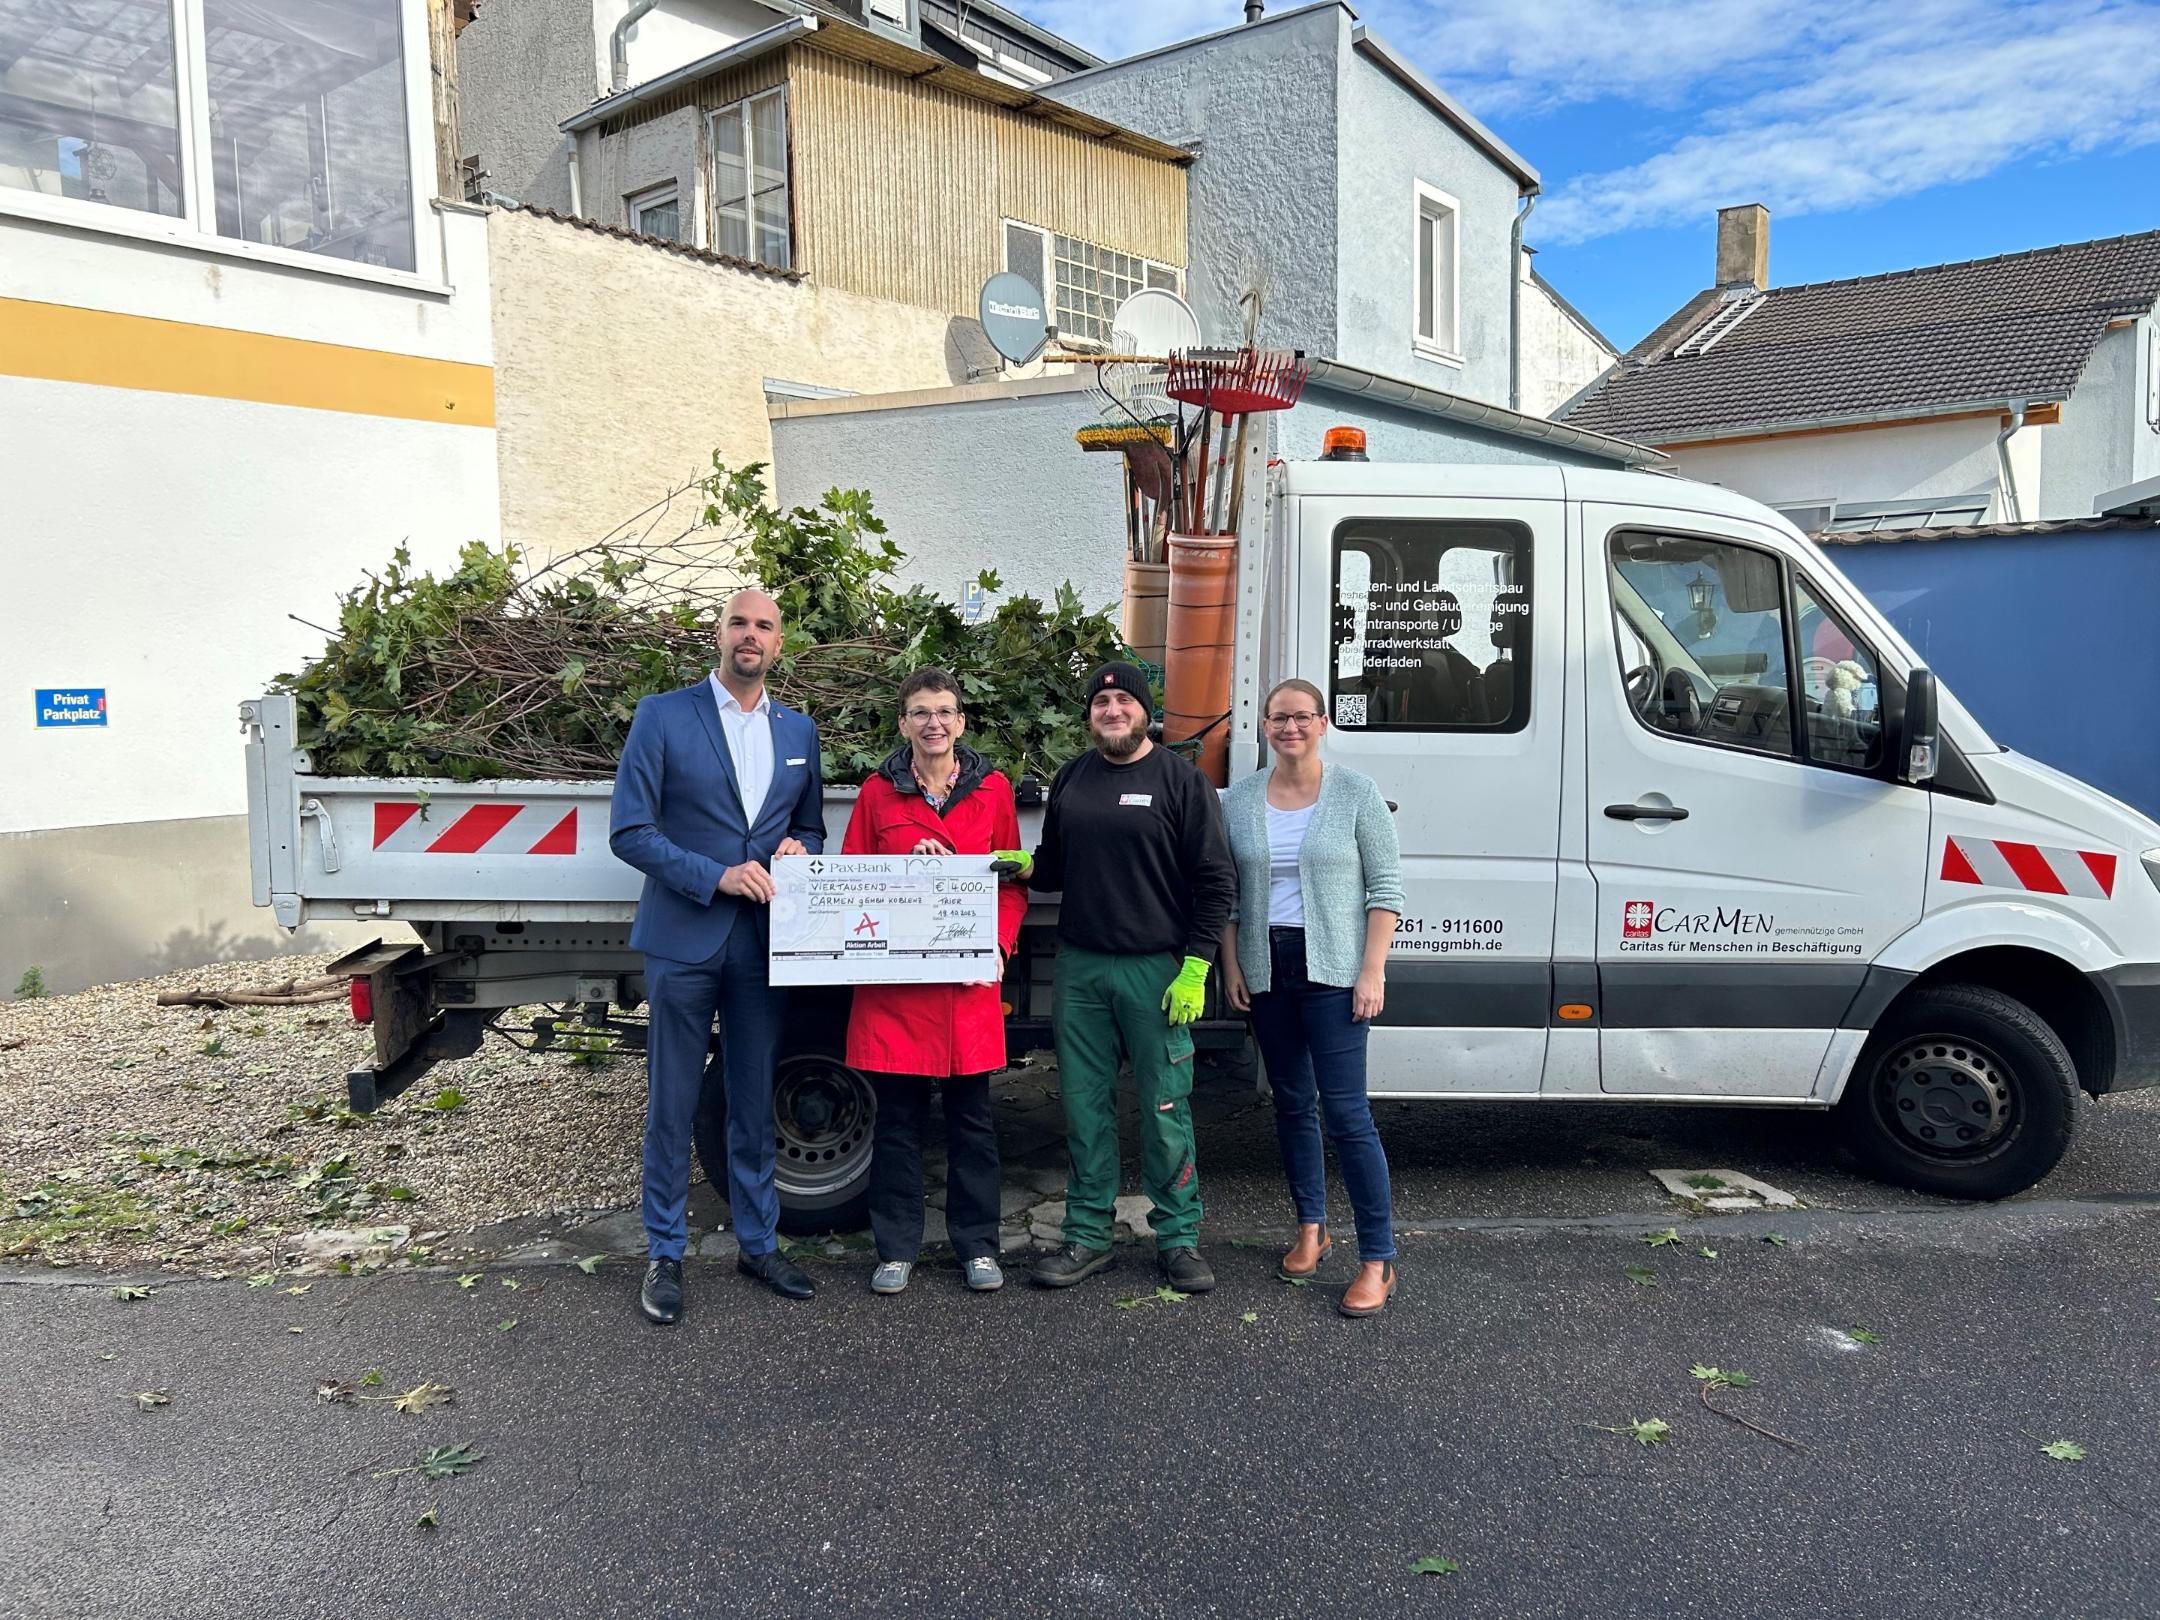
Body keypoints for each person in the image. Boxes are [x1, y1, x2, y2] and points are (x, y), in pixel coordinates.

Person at [610, 587, 827, 1323]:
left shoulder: (799, 729)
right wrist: (718, 876)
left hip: (764, 942)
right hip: (684, 935)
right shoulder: (663, 716)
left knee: (750, 1097)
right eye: (739, 622)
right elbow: (631, 832)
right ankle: (665, 1254)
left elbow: (811, 824)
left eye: (765, 625)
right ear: (719, 633)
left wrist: (802, 847)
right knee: (672, 1102)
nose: (751, 635)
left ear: (779, 643)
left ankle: (759, 1243)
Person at [1007, 661, 1235, 1294]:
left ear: (1144, 711)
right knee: (1084, 1107)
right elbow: (1055, 864)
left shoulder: (1182, 782)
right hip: (1080, 968)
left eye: (1123, 700)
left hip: (1156, 971)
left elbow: (1216, 879)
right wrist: (1026, 865)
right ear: (1090, 715)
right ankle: (1087, 1236)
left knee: (1164, 1108)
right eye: (1101, 701)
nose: (1112, 710)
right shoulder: (1072, 778)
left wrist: (1195, 966)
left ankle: (1179, 1238)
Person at [1220, 677, 1403, 1317]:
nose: (1289, 728)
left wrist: (1371, 971)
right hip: (1267, 967)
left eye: (1301, 717)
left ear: (1322, 724)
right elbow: (1230, 893)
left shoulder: (1354, 793)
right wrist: (1231, 962)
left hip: (1335, 970)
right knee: (1292, 1104)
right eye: (1277, 718)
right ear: (1264, 727)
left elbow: (1385, 890)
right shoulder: (1239, 800)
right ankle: (1311, 1227)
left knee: (1348, 1114)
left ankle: (1378, 1257)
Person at [840, 668, 1027, 1295]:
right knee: (897, 1124)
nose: (934, 724)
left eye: (945, 711)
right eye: (920, 712)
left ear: (962, 723)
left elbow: (1012, 881)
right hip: (899, 992)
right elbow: (851, 885)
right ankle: (896, 1248)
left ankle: (977, 1247)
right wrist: (903, 866)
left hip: (968, 988)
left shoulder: (993, 791)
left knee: (974, 1123)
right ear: (903, 724)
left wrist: (1000, 944)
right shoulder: (876, 794)